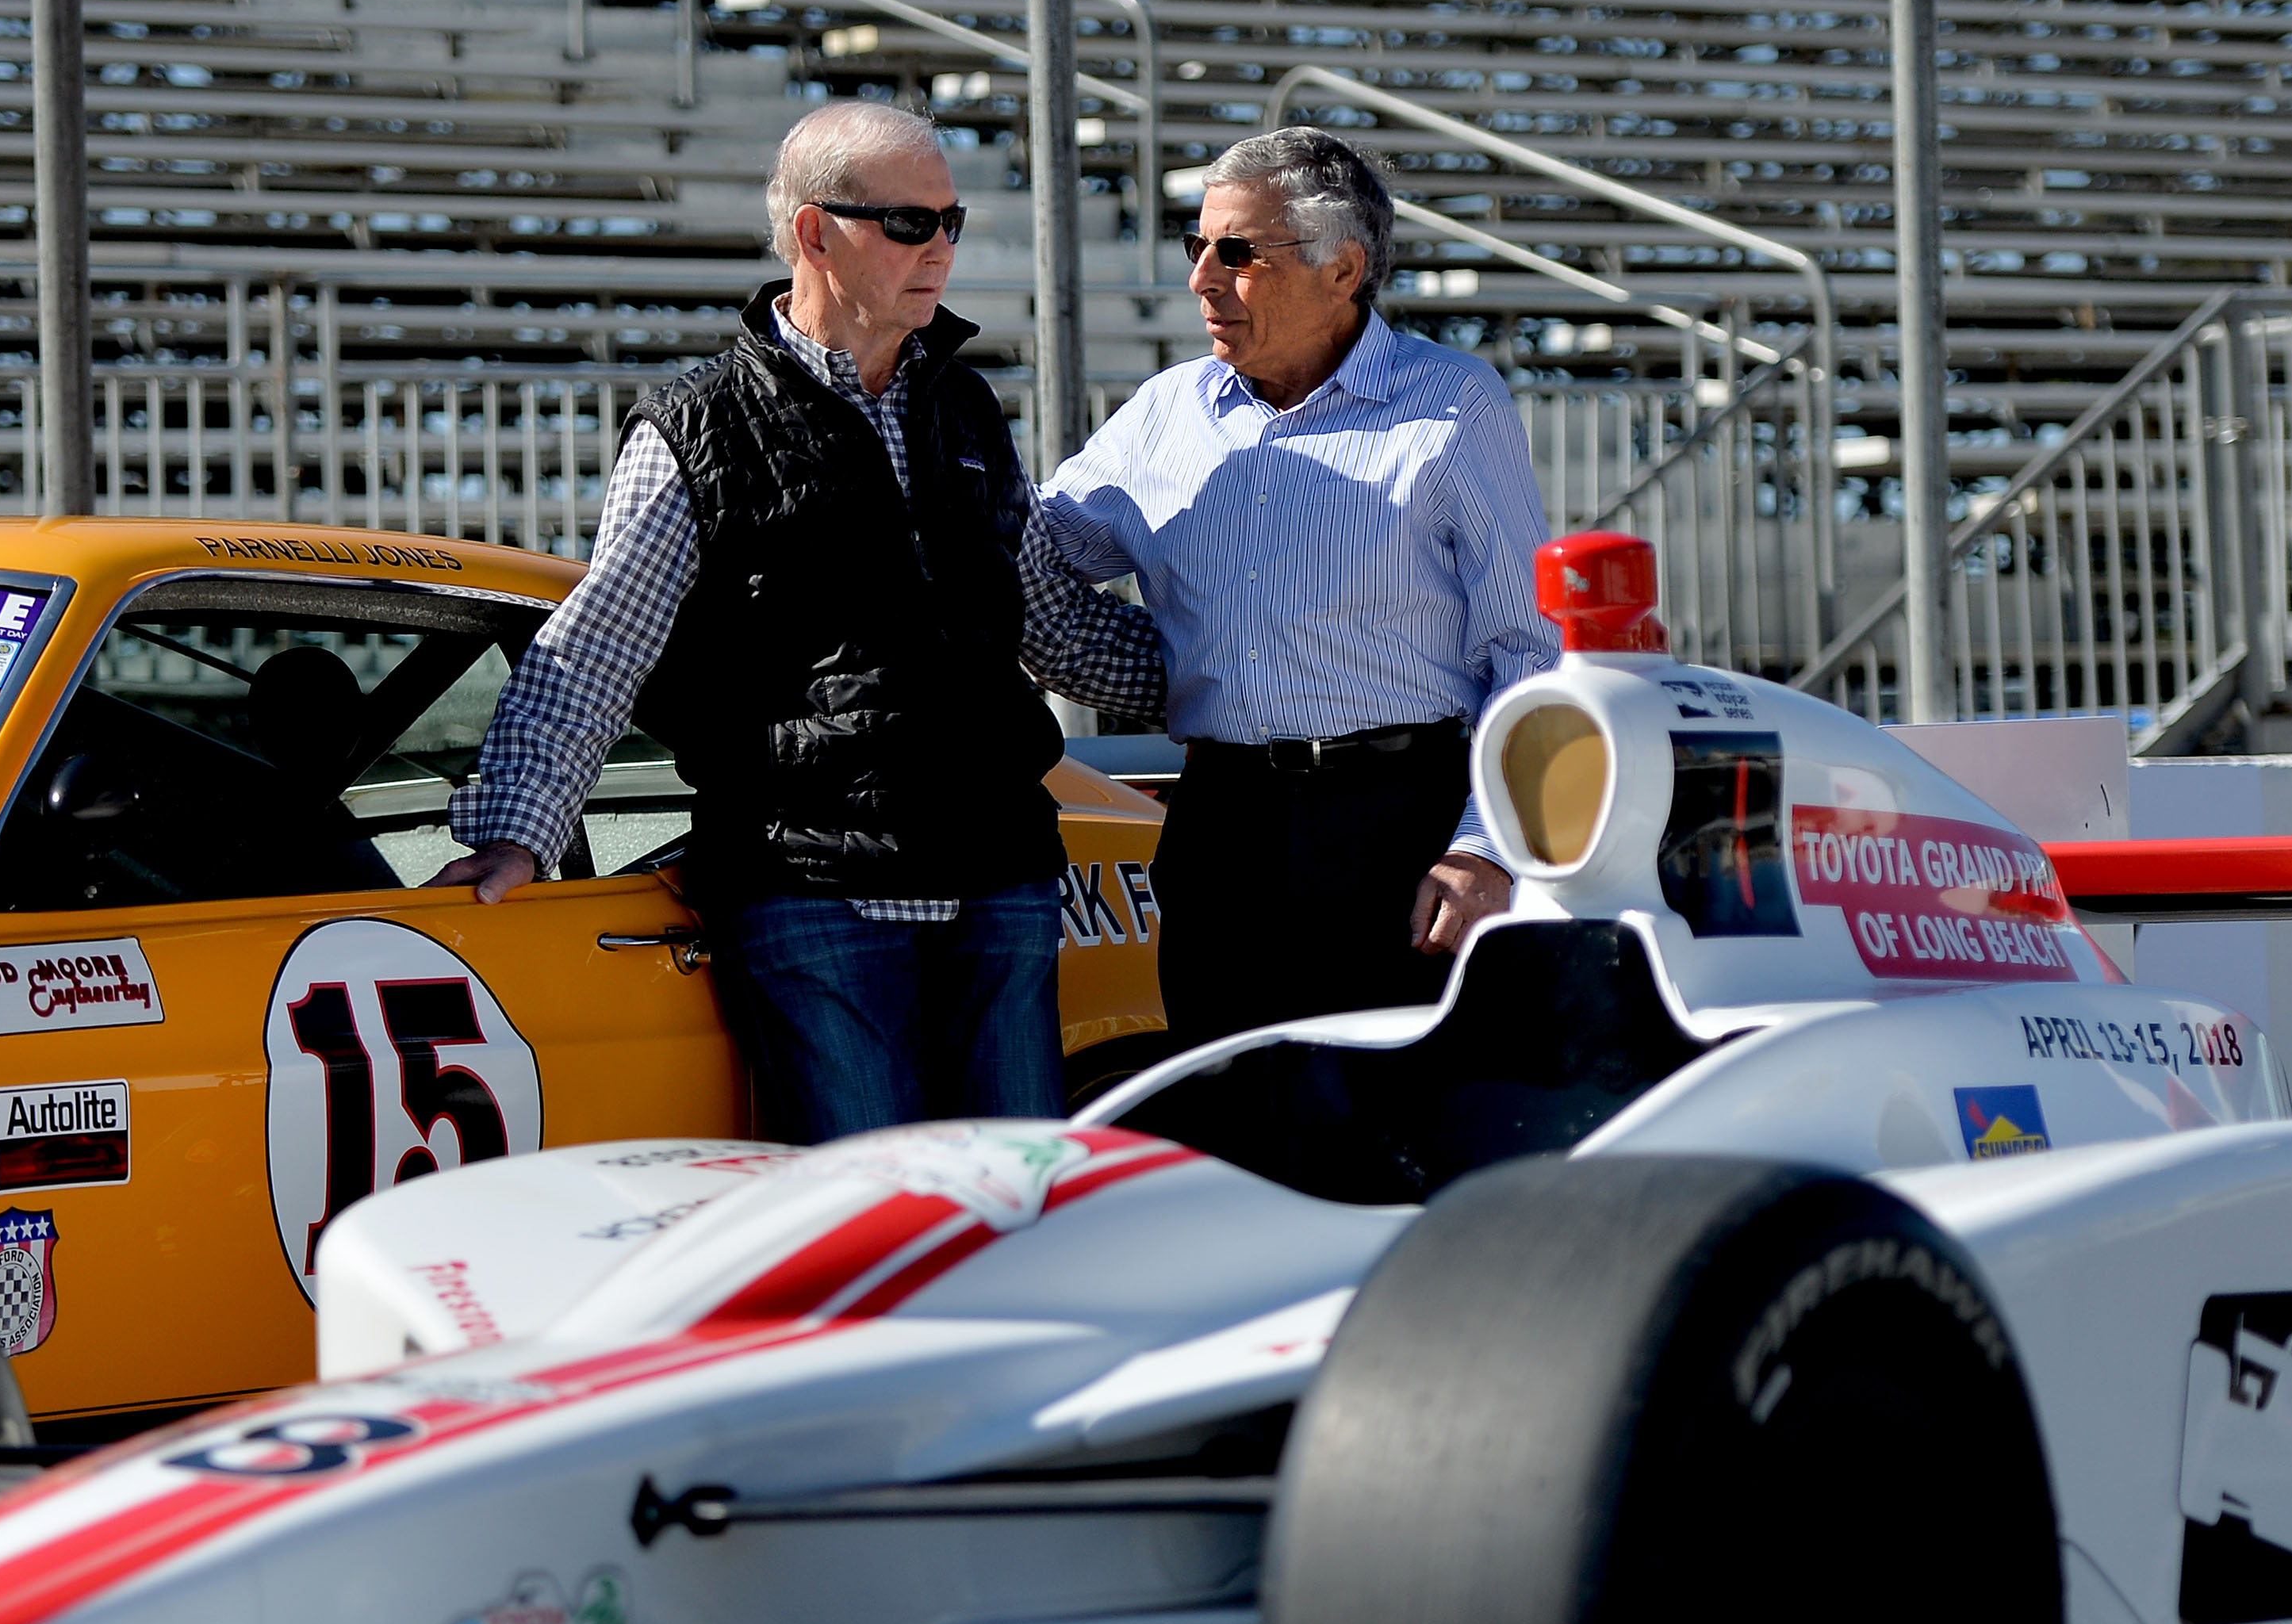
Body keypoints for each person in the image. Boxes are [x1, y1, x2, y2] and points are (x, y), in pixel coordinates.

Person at [429, 102, 1157, 1142]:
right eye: (910, 224)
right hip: (813, 888)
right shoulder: (697, 425)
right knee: (868, 1231)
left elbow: (1055, 627)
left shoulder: (963, 411)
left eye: (951, 221)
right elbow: (594, 651)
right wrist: (517, 831)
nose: (942, 247)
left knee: (1012, 1222)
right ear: (814, 233)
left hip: (999, 878)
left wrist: (1244, 684)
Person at [1038, 126, 1558, 1048]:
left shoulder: (1455, 404)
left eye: (1237, 253)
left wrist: (1483, 850)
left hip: (1401, 834)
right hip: (1220, 830)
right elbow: (1026, 560)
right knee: (1235, 1133)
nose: (1201, 278)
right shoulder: (1166, 412)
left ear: (1343, 269)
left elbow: (1528, 655)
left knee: (1384, 1144)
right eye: (1195, 245)